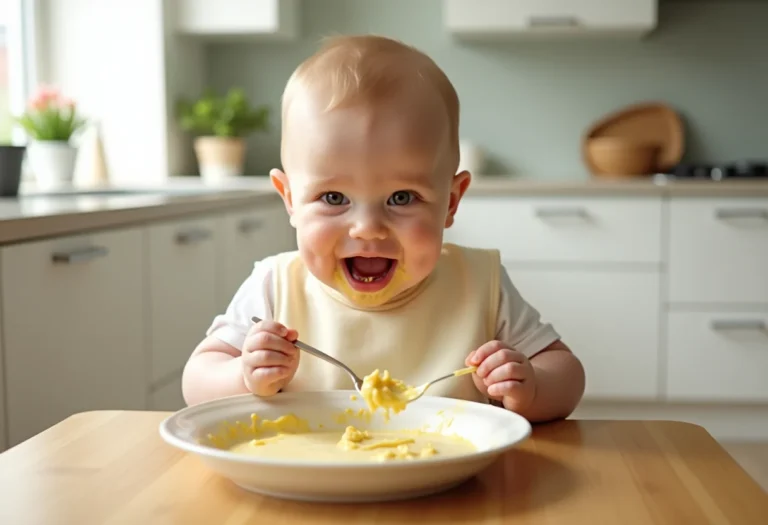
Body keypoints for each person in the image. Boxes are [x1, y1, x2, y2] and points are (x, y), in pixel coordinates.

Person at [182, 34, 585, 423]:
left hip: (453, 487)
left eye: (401, 198)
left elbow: (566, 373)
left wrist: (529, 388)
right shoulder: (275, 286)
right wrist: (243, 377)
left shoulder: (480, 284)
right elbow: (196, 380)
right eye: (334, 198)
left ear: (450, 201)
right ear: (289, 199)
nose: (368, 229)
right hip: (307, 482)